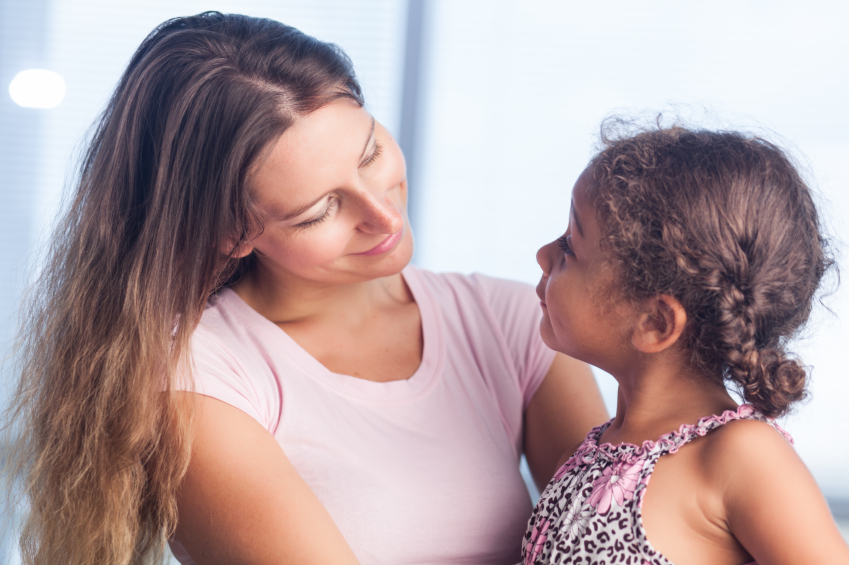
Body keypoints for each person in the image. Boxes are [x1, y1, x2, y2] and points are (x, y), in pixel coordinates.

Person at [4, 12, 608, 565]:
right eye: (319, 210)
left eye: (370, 152)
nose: (383, 215)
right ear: (231, 233)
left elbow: (619, 538)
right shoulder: (199, 384)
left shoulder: (515, 322)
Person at [523, 123, 849, 564]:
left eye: (570, 246)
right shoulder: (596, 447)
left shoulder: (740, 454)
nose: (544, 254)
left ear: (656, 322)